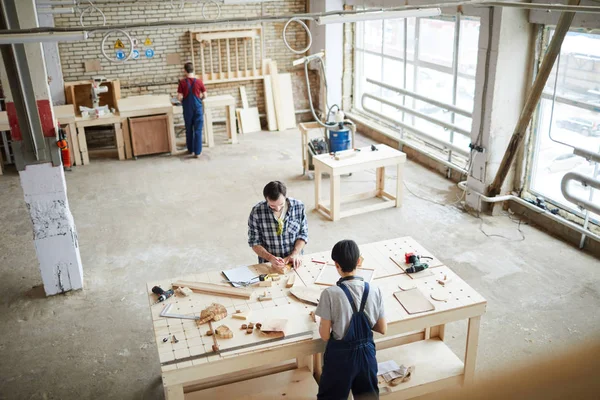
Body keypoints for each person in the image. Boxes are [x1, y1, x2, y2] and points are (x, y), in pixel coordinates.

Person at [315, 239, 387, 400]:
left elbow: (325, 336)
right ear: (359, 261)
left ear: (336, 265)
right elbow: (382, 328)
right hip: (367, 357)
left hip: (341, 359)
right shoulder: (375, 290)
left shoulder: (330, 293)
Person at [248, 181, 308, 273]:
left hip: (294, 262)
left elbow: (303, 234)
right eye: (272, 206)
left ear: (285, 196)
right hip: (268, 264)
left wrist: (294, 254)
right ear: (266, 200)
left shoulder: (298, 207)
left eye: (281, 204)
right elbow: (254, 242)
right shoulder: (257, 212)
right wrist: (271, 258)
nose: (278, 209)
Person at [177, 62, 207, 158]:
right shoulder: (199, 82)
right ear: (193, 70)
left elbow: (179, 97)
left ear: (185, 70)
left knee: (189, 129)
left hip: (188, 109)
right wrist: (200, 99)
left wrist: (182, 101)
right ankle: (197, 153)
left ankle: (190, 149)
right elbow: (205, 95)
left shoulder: (182, 82)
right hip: (197, 108)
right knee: (198, 129)